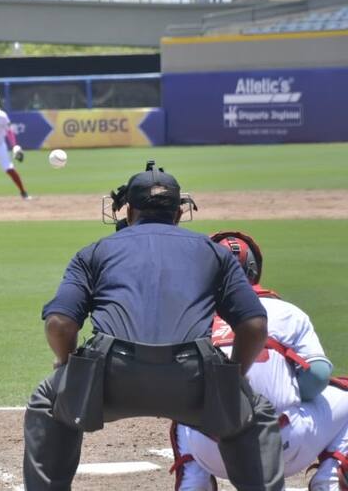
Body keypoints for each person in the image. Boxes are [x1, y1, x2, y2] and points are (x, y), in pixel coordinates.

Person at [23, 161, 285, 491]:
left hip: (109, 378)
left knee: (48, 402)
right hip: (194, 379)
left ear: (128, 211)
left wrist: (67, 366)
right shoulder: (212, 253)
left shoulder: (95, 252)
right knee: (254, 412)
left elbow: (60, 323)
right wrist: (234, 375)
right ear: (178, 212)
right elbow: (255, 325)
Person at [171, 231, 348, 491]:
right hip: (285, 448)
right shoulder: (287, 313)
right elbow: (318, 377)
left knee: (182, 415)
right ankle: (329, 480)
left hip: (212, 452)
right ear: (255, 271)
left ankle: (193, 483)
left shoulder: (190, 318)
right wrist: (289, 389)